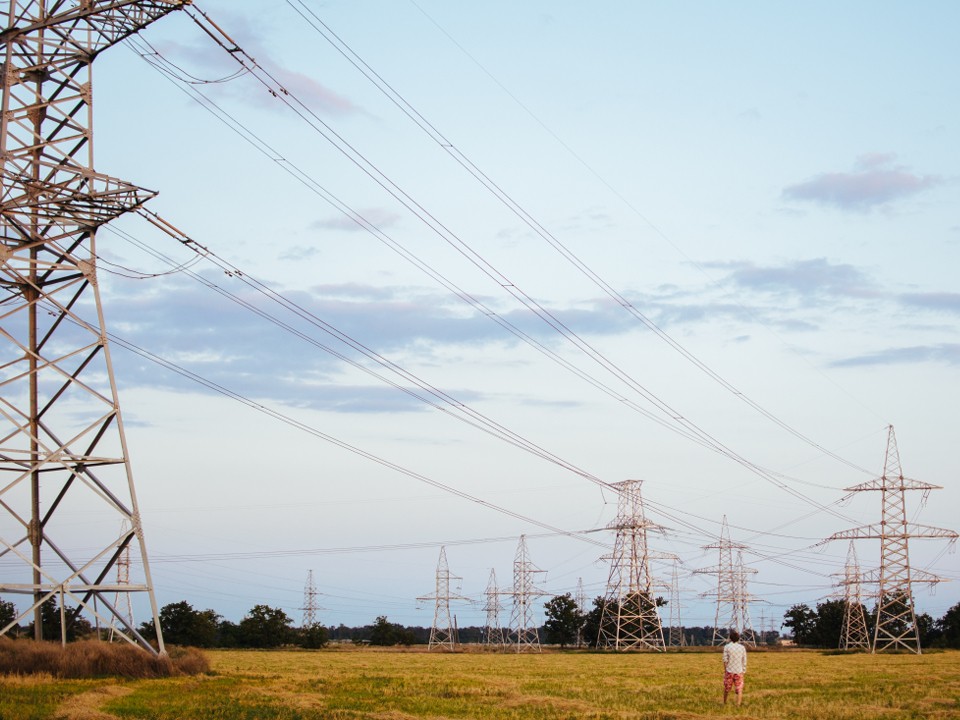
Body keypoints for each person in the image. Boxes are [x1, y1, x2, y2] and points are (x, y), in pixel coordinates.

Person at [722, 629, 747, 706]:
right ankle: (738, 704)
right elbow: (744, 659)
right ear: (738, 638)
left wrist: (725, 669)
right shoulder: (742, 648)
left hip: (729, 670)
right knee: (739, 689)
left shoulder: (727, 647)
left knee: (727, 688)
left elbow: (725, 659)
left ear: (730, 638)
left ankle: (725, 702)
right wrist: (743, 670)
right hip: (739, 670)